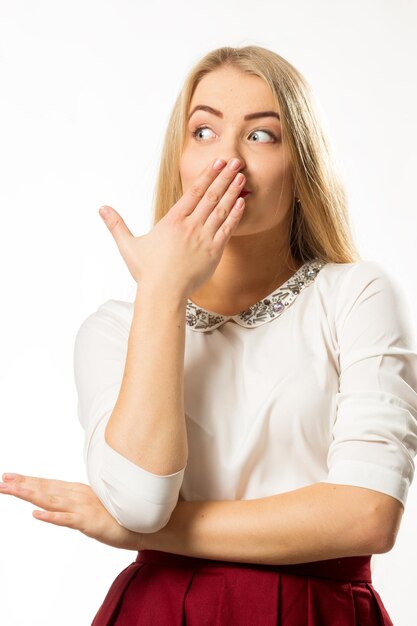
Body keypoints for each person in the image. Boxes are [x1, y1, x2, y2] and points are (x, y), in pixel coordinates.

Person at [1, 44, 417, 625]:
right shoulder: (116, 328)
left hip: (314, 611)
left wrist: (144, 533)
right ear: (179, 160)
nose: (228, 162)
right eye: (203, 133)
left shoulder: (358, 295)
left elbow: (367, 516)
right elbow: (142, 501)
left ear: (303, 165)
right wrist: (163, 291)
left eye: (262, 136)